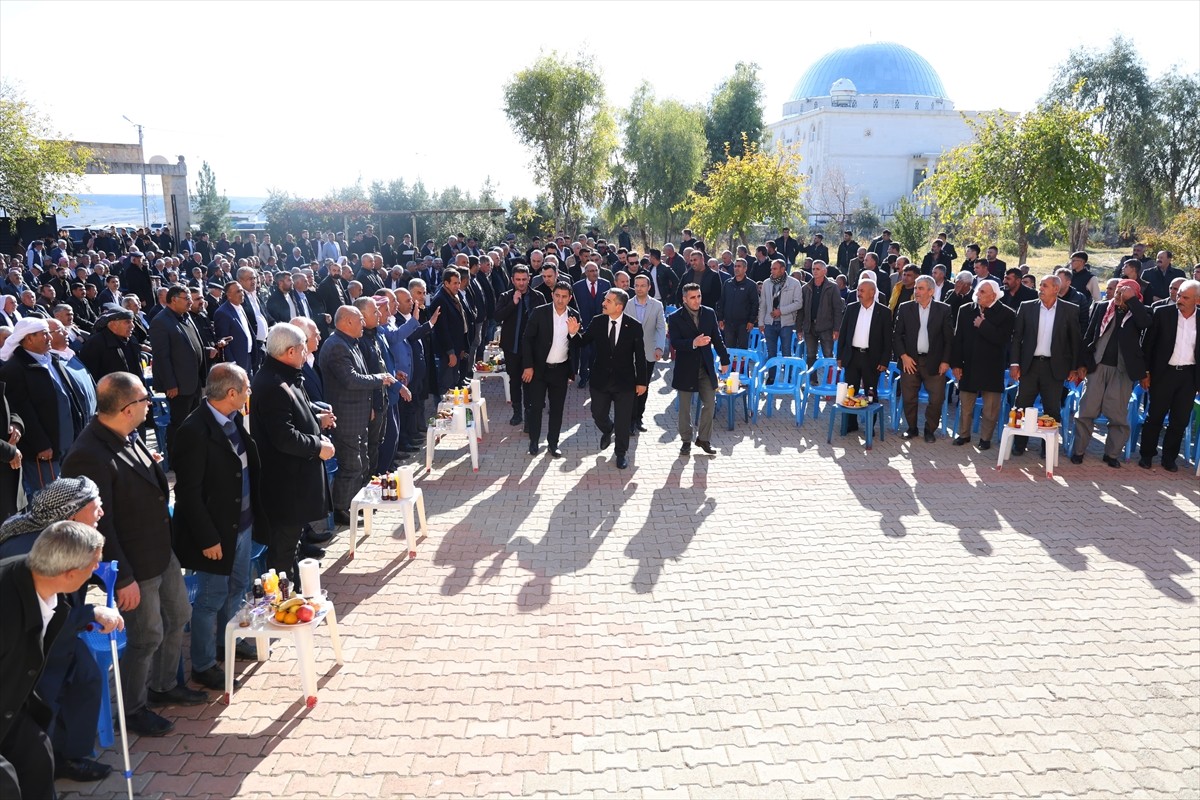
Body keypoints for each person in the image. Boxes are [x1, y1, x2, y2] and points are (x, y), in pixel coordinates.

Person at [61, 372, 207, 738]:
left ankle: (162, 686)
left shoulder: (127, 433)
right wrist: (122, 577)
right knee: (145, 637)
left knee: (178, 615)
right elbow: (98, 526)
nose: (150, 403)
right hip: (134, 563)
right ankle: (133, 708)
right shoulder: (88, 454)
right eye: (145, 400)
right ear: (127, 408)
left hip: (160, 549)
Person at [0, 478, 113, 784]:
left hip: (61, 632)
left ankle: (69, 758)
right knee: (39, 710)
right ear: (73, 513)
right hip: (29, 649)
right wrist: (90, 612)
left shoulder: (71, 540)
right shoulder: (30, 548)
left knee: (87, 679)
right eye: (95, 506)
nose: (101, 511)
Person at [171, 364, 267, 690]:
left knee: (237, 587)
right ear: (230, 394)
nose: (248, 393)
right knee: (210, 599)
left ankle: (228, 641)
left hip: (242, 526)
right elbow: (187, 493)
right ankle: (203, 663)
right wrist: (208, 537)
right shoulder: (194, 431)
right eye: (246, 389)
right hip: (217, 535)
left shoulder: (231, 419)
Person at [251, 323, 336, 574]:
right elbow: (283, 436)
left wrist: (317, 422)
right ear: (289, 352)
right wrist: (317, 446)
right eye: (302, 350)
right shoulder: (273, 384)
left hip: (295, 482)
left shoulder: (286, 376)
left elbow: (294, 415)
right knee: (283, 551)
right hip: (285, 486)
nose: (306, 354)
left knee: (293, 544)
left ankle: (294, 592)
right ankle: (282, 602)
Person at [0, 318, 91, 499]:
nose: (49, 337)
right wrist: (41, 444)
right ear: (28, 339)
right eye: (43, 334)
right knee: (50, 500)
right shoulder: (15, 369)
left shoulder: (53, 359)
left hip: (69, 442)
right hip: (45, 451)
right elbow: (23, 410)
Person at [320, 307, 395, 524]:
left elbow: (360, 374)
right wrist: (380, 379)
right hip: (346, 416)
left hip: (359, 413)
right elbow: (351, 379)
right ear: (347, 322)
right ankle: (343, 510)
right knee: (351, 465)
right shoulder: (336, 346)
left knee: (361, 463)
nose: (364, 323)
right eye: (360, 319)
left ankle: (356, 503)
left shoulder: (350, 342)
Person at [1071, 279, 1150, 467]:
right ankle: (1078, 451)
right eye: (1117, 290)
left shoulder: (1141, 311)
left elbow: (1145, 323)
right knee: (1086, 411)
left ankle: (1112, 455)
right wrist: (1083, 363)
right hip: (1097, 366)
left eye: (1124, 291)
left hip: (1123, 370)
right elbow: (1089, 335)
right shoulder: (1101, 307)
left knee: (1118, 416)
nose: (1118, 294)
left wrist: (1131, 301)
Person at [567, 288, 648, 469]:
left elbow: (640, 357)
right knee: (598, 413)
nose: (603, 303)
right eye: (605, 299)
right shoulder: (598, 322)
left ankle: (621, 453)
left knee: (623, 420)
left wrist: (642, 382)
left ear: (619, 306)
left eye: (608, 301)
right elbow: (583, 342)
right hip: (600, 380)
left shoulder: (634, 326)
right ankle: (607, 429)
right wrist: (573, 333)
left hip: (625, 382)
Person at [1009, 275, 1084, 456]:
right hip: (1029, 366)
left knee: (1051, 409)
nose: (1040, 289)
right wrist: (1014, 363)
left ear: (1056, 289)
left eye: (1044, 286)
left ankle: (1047, 448)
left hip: (1054, 368)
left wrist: (1074, 367)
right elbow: (1017, 337)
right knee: (1021, 406)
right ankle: (1019, 445)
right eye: (1040, 285)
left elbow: (1075, 342)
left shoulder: (1070, 310)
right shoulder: (1027, 307)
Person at [1138, 279, 1199, 472]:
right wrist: (1145, 372)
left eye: (1185, 297)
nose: (1179, 299)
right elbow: (1148, 345)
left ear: (1197, 300)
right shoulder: (1163, 313)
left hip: (1189, 376)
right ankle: (1147, 455)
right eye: (1179, 294)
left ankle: (1169, 458)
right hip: (1163, 374)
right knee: (1154, 416)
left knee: (1179, 420)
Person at [951, 279, 1015, 450]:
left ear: (994, 295)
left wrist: (983, 325)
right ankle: (964, 435)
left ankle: (985, 439)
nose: (978, 295)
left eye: (983, 292)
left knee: (990, 409)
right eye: (978, 291)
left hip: (991, 367)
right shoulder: (966, 310)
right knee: (965, 405)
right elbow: (958, 339)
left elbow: (1003, 339)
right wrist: (956, 364)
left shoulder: (1007, 313)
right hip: (968, 364)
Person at [148, 284, 210, 462]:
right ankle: (178, 460)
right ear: (173, 299)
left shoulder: (186, 317)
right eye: (187, 298)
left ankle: (194, 454)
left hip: (194, 380)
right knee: (179, 424)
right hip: (178, 385)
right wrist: (170, 384)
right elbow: (162, 357)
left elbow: (190, 345)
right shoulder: (161, 321)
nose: (191, 302)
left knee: (195, 422)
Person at [668, 283, 730, 456]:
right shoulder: (675, 317)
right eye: (693, 297)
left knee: (710, 403)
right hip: (686, 369)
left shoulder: (709, 313)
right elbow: (675, 343)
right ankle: (686, 440)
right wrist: (694, 343)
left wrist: (724, 360)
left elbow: (717, 338)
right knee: (685, 409)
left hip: (706, 368)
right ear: (684, 299)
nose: (697, 300)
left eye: (699, 296)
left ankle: (703, 439)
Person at [521, 281, 581, 457]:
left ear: (570, 298)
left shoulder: (574, 315)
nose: (560, 300)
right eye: (557, 296)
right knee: (536, 406)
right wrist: (528, 366)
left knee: (557, 409)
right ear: (552, 295)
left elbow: (579, 344)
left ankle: (553, 443)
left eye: (564, 297)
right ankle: (534, 441)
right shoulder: (540, 312)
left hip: (560, 371)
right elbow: (527, 340)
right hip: (539, 370)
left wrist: (573, 333)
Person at [893, 276, 953, 442]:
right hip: (910, 362)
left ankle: (929, 430)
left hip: (934, 363)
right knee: (908, 398)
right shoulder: (905, 308)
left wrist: (945, 361)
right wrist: (903, 356)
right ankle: (912, 428)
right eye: (916, 288)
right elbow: (897, 335)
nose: (916, 291)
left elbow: (949, 339)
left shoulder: (943, 310)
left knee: (936, 399)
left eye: (920, 288)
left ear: (931, 291)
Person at [837, 278, 892, 411]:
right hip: (852, 357)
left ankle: (870, 425)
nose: (859, 293)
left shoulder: (884, 312)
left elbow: (888, 339)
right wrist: (840, 356)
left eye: (862, 290)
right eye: (858, 290)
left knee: (871, 393)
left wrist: (884, 361)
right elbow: (843, 334)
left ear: (872, 292)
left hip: (872, 358)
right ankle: (850, 424)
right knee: (850, 393)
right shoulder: (852, 308)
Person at [493, 265, 537, 427]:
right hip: (512, 347)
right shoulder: (505, 297)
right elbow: (497, 316)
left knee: (530, 383)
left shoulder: (537, 296)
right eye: (518, 280)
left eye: (524, 279)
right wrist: (513, 303)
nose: (521, 283)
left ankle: (529, 413)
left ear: (529, 279)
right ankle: (517, 412)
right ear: (512, 280)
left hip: (532, 348)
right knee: (515, 381)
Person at [626, 274, 667, 434]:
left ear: (649, 287)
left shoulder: (657, 305)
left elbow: (661, 328)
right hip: (629, 354)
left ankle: (638, 418)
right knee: (630, 387)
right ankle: (628, 420)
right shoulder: (627, 304)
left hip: (649, 353)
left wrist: (659, 347)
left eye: (643, 285)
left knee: (643, 386)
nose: (639, 288)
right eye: (636, 285)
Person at [430, 267, 472, 392]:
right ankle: (445, 410)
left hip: (457, 347)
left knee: (454, 381)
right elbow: (442, 330)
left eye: (459, 283)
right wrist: (451, 353)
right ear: (446, 283)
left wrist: (461, 347)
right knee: (447, 385)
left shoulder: (454, 296)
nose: (457, 286)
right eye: (454, 283)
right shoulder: (440, 300)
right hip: (447, 352)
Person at [757, 259, 803, 375]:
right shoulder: (767, 283)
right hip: (769, 323)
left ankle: (788, 377)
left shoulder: (794, 283)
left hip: (786, 323)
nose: (772, 271)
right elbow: (762, 304)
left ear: (783, 269)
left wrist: (781, 311)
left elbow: (798, 303)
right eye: (771, 268)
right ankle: (772, 377)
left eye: (775, 268)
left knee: (786, 352)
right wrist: (761, 322)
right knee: (771, 352)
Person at [572, 262, 610, 389]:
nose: (594, 273)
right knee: (585, 352)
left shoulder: (606, 284)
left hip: (600, 324)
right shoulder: (577, 287)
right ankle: (583, 376)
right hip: (584, 324)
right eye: (591, 271)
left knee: (598, 351)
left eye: (596, 270)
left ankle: (595, 376)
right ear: (586, 272)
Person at [800, 261, 844, 366]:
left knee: (828, 355)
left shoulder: (833, 287)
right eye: (813, 269)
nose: (815, 271)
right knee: (810, 355)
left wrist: (837, 329)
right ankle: (812, 380)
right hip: (809, 327)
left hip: (826, 327)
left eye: (818, 269)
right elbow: (801, 310)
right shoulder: (806, 288)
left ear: (825, 271)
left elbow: (837, 309)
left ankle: (829, 380)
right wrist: (799, 328)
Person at [715, 259, 759, 350]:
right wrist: (720, 318)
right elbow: (722, 301)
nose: (736, 268)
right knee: (729, 348)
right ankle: (730, 364)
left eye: (739, 266)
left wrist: (751, 321)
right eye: (735, 266)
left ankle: (742, 364)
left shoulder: (751, 285)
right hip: (729, 323)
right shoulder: (728, 283)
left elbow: (755, 304)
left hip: (744, 324)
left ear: (745, 268)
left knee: (742, 349)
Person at [213, 280, 254, 373]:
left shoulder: (240, 307)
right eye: (238, 291)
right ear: (229, 295)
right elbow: (223, 340)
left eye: (242, 291)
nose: (242, 294)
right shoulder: (222, 313)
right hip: (236, 362)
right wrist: (232, 363)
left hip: (248, 357)